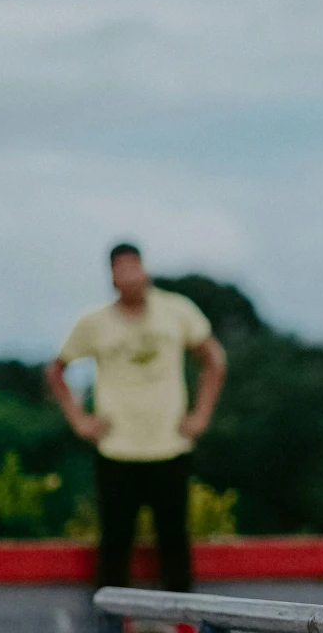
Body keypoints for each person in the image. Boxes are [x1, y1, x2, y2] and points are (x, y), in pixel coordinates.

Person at [46, 245, 228, 608]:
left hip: (169, 443)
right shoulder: (94, 322)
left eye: (134, 267)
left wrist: (201, 414)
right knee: (115, 540)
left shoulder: (176, 311)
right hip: (117, 447)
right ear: (112, 277)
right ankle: (114, 626)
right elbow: (56, 370)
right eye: (121, 270)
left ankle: (183, 624)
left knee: (174, 538)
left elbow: (214, 359)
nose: (129, 276)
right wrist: (80, 420)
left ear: (145, 270)